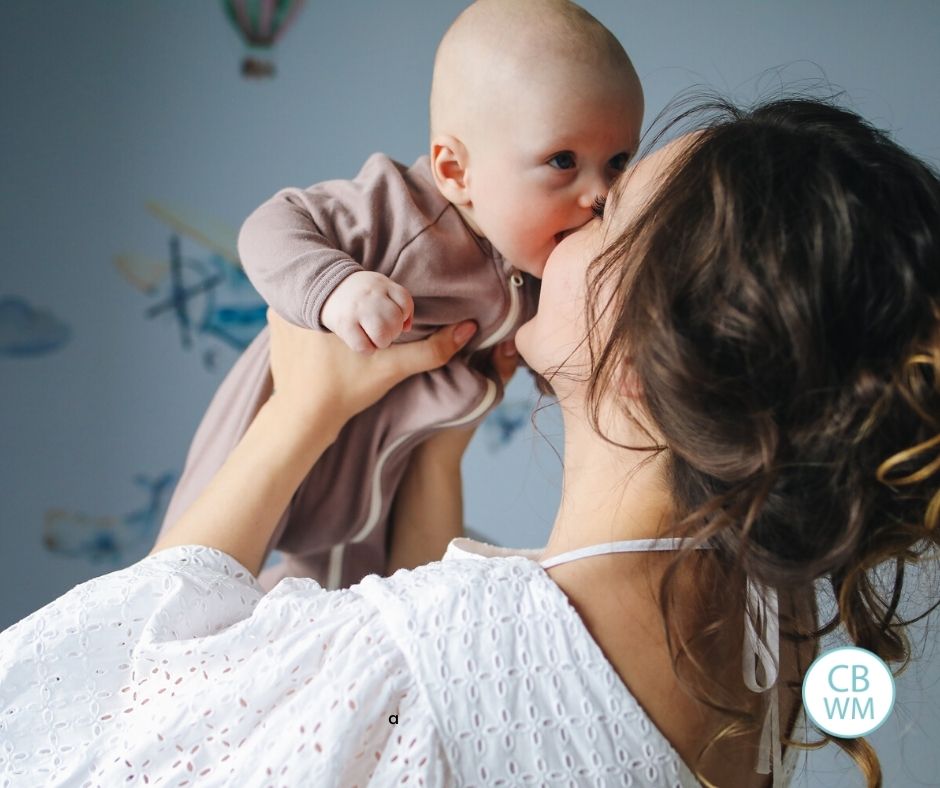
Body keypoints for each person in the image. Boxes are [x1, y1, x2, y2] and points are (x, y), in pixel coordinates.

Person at [2, 94, 939, 787]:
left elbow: (107, 713)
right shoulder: (764, 640)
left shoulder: (432, 653)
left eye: (608, 214)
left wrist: (298, 412)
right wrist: (438, 455)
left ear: (647, 358)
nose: (572, 216)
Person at [156, 0, 645, 592]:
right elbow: (272, 224)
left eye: (619, 163)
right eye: (562, 161)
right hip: (284, 414)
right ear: (455, 170)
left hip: (384, 466)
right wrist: (335, 287)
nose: (599, 194)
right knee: (189, 580)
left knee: (349, 600)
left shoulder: (541, 260)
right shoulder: (401, 212)